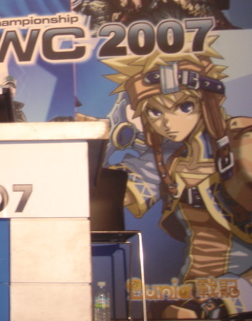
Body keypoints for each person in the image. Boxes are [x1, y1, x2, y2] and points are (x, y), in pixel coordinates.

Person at [103, 38, 252, 319]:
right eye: (155, 112)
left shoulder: (243, 146)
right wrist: (102, 141)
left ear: (209, 102)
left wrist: (228, 300)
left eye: (185, 107)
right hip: (193, 293)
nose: (168, 123)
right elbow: (109, 195)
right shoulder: (172, 161)